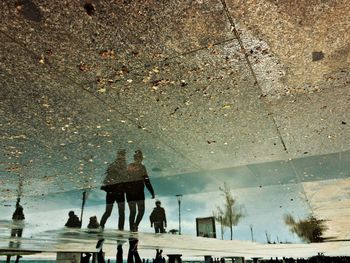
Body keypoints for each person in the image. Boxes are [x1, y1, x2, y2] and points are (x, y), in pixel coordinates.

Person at [126, 150, 155, 232]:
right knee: (139, 211)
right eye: (139, 157)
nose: (140, 159)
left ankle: (133, 227)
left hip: (131, 192)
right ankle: (134, 226)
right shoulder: (142, 167)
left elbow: (124, 179)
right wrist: (152, 192)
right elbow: (147, 181)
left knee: (133, 212)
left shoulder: (131, 166)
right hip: (137, 192)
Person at [100, 149, 127, 230]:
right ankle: (101, 226)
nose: (122, 156)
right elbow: (107, 177)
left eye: (123, 154)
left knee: (115, 212)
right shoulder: (115, 164)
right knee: (113, 212)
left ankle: (102, 227)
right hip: (114, 191)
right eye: (121, 154)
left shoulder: (117, 164)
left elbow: (106, 178)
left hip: (115, 191)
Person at [6, 198, 25, 263]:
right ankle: (16, 259)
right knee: (18, 241)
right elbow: (22, 220)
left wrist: (18, 201)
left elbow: (14, 218)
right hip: (19, 228)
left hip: (14, 227)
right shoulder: (21, 214)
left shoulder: (15, 214)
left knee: (12, 240)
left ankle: (10, 260)